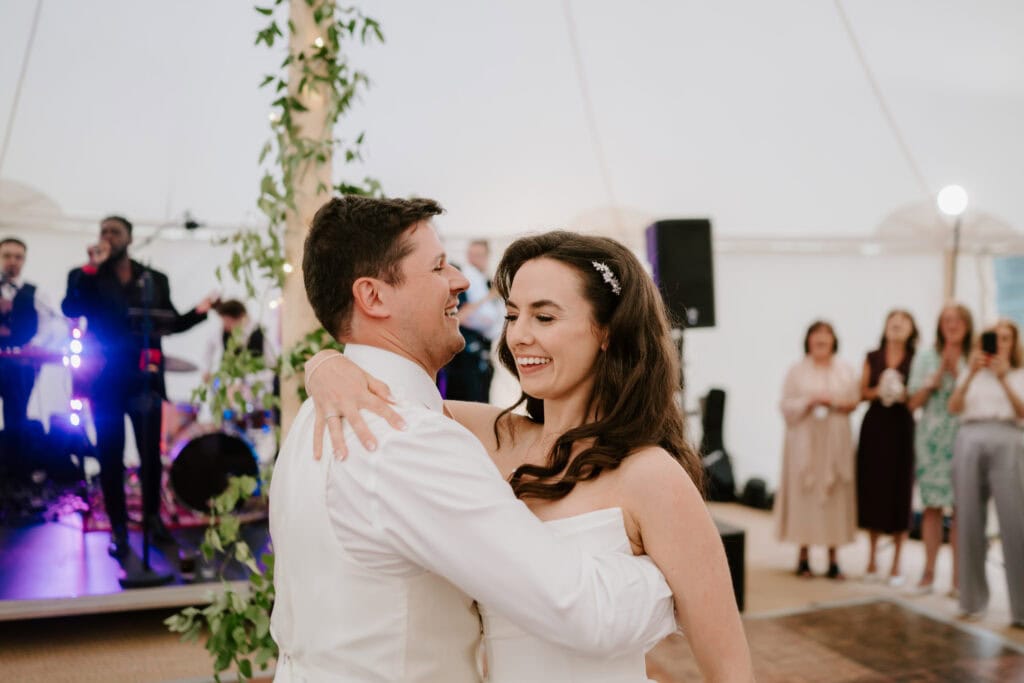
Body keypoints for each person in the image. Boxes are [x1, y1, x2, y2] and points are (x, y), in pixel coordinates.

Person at [301, 217, 753, 680]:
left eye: (545, 317)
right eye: (513, 315)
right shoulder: (489, 437)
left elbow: (730, 670)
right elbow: (396, 393)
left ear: (607, 331)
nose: (518, 336)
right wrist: (324, 365)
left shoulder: (651, 475)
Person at [61, 215, 212, 558]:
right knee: (110, 455)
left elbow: (170, 322)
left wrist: (199, 311)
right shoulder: (85, 276)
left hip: (146, 378)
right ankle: (118, 527)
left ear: (130, 238)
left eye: (115, 231)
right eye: (103, 231)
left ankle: (153, 521)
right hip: (104, 380)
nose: (107, 236)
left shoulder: (153, 279)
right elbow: (70, 307)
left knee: (150, 457)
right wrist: (90, 267)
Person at [947, 319, 1024, 627]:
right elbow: (954, 406)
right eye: (995, 338)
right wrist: (970, 375)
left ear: (1014, 343)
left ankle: (1021, 609)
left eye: (1006, 338)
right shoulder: (971, 373)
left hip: (1009, 439)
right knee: (968, 519)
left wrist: (1004, 379)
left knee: (1015, 523)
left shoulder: (1019, 374)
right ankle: (972, 600)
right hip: (970, 437)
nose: (1000, 343)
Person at [775, 321, 859, 580]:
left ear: (834, 340)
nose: (821, 339)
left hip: (834, 441)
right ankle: (803, 556)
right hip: (805, 442)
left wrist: (832, 402)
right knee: (805, 495)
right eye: (816, 334)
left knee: (835, 496)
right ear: (808, 340)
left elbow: (854, 401)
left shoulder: (845, 370)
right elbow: (785, 406)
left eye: (826, 334)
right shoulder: (797, 371)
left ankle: (834, 559)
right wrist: (809, 401)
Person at [906, 303, 972, 596]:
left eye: (957, 320)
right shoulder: (925, 356)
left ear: (967, 325)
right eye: (947, 320)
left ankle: (958, 579)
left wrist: (956, 372)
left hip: (963, 436)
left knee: (960, 508)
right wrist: (936, 377)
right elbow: (912, 403)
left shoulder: (974, 357)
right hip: (931, 439)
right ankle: (928, 572)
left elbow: (976, 399)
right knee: (931, 506)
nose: (952, 325)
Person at [856, 310, 918, 586]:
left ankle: (897, 563)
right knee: (873, 489)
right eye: (894, 320)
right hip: (876, 425)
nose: (898, 324)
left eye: (904, 320)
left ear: (911, 329)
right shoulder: (873, 356)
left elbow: (918, 396)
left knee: (900, 490)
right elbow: (862, 392)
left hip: (902, 427)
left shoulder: (916, 358)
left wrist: (903, 394)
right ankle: (871, 558)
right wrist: (879, 390)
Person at [0, 238, 41, 475]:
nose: (12, 261)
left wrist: (33, 346)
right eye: (7, 255)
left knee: (17, 417)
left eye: (18, 257)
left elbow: (49, 326)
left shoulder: (34, 292)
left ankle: (14, 474)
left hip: (21, 365)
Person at [444, 239, 502, 402]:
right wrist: (488, 297)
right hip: (464, 358)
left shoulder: (488, 282)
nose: (473, 260)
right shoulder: (462, 285)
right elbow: (456, 317)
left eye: (478, 255)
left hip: (484, 354)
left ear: (487, 257)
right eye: (471, 255)